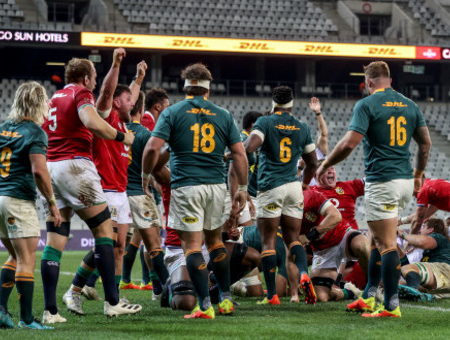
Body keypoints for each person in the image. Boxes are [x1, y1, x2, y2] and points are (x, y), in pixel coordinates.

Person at [316, 61, 432, 318]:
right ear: (389, 80)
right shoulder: (409, 104)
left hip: (382, 180)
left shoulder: (367, 104)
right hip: (402, 181)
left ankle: (391, 305)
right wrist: (418, 175)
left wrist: (325, 163)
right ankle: (368, 296)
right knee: (375, 242)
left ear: (369, 82)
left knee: (386, 243)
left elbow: (348, 144)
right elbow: (425, 144)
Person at [142, 63, 248, 319]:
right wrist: (243, 187)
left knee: (191, 247)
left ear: (186, 86)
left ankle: (204, 306)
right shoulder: (223, 115)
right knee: (215, 242)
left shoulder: (173, 113)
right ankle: (225, 298)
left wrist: (145, 176)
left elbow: (152, 150)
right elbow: (238, 153)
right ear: (208, 90)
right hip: (216, 187)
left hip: (187, 186)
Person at [41, 48, 139, 318]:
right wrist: (121, 137)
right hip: (76, 166)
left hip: (52, 167)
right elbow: (90, 120)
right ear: (85, 78)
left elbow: (43, 131)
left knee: (55, 240)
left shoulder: (52, 99)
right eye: (94, 77)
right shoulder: (80, 94)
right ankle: (112, 302)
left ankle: (51, 311)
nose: (95, 83)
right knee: (105, 233)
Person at [62, 56, 147, 315]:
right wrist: (117, 64)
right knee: (107, 245)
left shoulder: (123, 121)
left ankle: (105, 298)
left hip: (120, 192)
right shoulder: (107, 116)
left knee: (118, 247)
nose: (133, 103)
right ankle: (82, 291)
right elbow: (109, 92)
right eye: (128, 100)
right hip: (105, 190)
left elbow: (128, 94)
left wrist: (139, 78)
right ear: (117, 103)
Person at [0, 81, 61, 329]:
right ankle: (27, 320)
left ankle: (1, 310)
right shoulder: (36, 132)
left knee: (14, 256)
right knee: (27, 259)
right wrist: (52, 204)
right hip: (17, 201)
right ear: (38, 102)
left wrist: (5, 182)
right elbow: (39, 171)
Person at [244, 86, 319, 305]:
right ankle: (305, 273)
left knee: (268, 242)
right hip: (293, 187)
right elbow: (313, 162)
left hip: (270, 187)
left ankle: (271, 296)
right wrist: (305, 183)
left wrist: (236, 150)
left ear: (273, 102)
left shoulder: (265, 122)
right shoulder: (302, 126)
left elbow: (250, 146)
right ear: (292, 103)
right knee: (292, 239)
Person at [119, 90, 168, 295]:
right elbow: (153, 163)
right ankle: (164, 288)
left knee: (115, 244)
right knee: (152, 242)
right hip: (140, 190)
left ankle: (82, 285)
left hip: (119, 191)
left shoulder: (118, 131)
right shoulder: (147, 130)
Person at [300, 189, 370, 303]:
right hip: (323, 251)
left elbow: (336, 216)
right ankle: (350, 292)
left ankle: (371, 287)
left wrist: (310, 235)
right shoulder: (284, 218)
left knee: (363, 246)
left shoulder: (310, 195)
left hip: (343, 236)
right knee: (321, 297)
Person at [398, 219, 450, 300]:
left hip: (444, 272)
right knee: (402, 282)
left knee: (408, 272)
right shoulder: (431, 251)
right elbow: (408, 272)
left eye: (423, 227)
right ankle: (423, 296)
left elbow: (422, 243)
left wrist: (404, 235)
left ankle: (411, 292)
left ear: (431, 230)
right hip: (444, 282)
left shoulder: (437, 236)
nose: (420, 230)